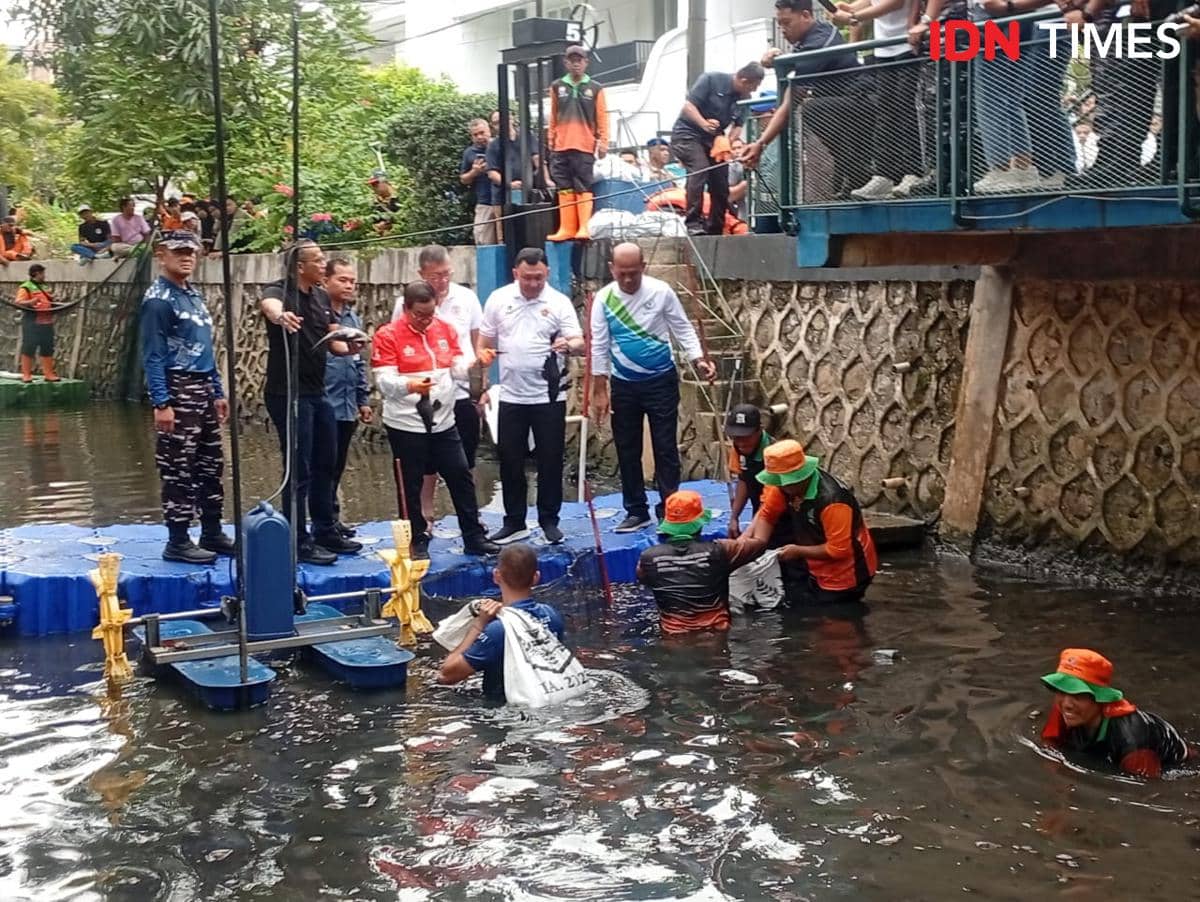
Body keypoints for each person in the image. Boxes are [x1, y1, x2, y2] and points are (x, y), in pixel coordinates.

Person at [590, 242, 715, 532]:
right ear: (612, 269)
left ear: (643, 267)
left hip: (661, 381)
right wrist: (599, 389)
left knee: (665, 446)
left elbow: (681, 327)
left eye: (634, 273)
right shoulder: (604, 299)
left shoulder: (661, 291)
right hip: (624, 384)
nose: (628, 279)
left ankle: (671, 508)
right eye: (622, 273)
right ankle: (636, 510)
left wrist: (698, 358)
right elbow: (599, 344)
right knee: (627, 448)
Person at [372, 281, 499, 558]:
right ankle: (417, 539)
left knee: (460, 474)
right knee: (410, 483)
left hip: (444, 420)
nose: (425, 321)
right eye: (419, 315)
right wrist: (410, 385)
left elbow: (457, 369)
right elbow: (383, 381)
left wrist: (477, 363)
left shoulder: (445, 329)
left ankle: (473, 536)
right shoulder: (388, 335)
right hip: (406, 423)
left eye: (430, 314)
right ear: (406, 309)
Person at [260, 240, 364, 566]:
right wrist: (281, 317)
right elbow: (270, 306)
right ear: (299, 266)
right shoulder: (278, 291)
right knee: (299, 467)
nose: (323, 264)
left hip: (317, 393)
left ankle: (325, 529)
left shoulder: (320, 297)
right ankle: (297, 539)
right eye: (317, 260)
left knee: (326, 460)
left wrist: (352, 345)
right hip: (288, 393)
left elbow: (334, 341)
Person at [138, 230, 235, 564]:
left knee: (211, 463)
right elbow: (153, 355)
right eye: (179, 251)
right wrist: (162, 403)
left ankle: (212, 530)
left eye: (191, 251)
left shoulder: (192, 294)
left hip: (203, 386)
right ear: (161, 255)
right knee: (179, 466)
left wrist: (217, 390)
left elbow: (204, 347)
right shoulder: (158, 301)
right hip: (177, 386)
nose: (187, 257)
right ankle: (178, 539)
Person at [477, 247, 584, 545]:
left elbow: (579, 340)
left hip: (549, 395)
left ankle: (549, 520)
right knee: (510, 460)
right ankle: (514, 521)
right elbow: (483, 343)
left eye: (538, 278)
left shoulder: (559, 302)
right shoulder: (499, 299)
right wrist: (482, 384)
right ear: (516, 274)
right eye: (527, 278)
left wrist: (569, 345)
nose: (533, 284)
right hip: (511, 394)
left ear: (547, 273)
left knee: (550, 460)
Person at [390, 245, 487, 526]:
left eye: (446, 274)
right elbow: (398, 341)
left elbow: (477, 341)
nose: (442, 281)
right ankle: (426, 514)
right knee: (425, 462)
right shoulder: (406, 303)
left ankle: (471, 517)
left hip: (460, 388)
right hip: (424, 393)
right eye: (435, 276)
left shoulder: (466, 298)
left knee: (464, 458)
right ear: (421, 274)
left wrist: (481, 385)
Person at [743, 0, 870, 199]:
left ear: (806, 15)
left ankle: (860, 174)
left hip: (861, 100)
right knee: (817, 109)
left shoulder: (817, 43)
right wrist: (778, 60)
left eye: (787, 23)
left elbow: (790, 102)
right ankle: (854, 176)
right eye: (779, 24)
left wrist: (761, 143)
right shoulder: (818, 34)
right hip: (846, 105)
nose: (782, 30)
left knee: (812, 110)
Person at [745, 439, 878, 604]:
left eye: (786, 483)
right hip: (813, 564)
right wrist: (758, 545)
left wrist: (798, 551)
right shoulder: (782, 486)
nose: (781, 487)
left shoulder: (833, 501)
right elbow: (767, 514)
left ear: (800, 476)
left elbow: (839, 550)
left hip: (847, 573)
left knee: (832, 613)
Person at [438, 543, 566, 702]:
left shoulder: (497, 630)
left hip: (507, 708)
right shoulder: (551, 615)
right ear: (536, 577)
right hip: (549, 696)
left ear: (496, 576)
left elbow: (446, 675)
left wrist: (479, 624)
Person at [1040, 648, 1196, 778]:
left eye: (1078, 694)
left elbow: (1146, 788)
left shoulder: (1132, 741)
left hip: (1175, 765)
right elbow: (1050, 746)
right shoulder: (1066, 710)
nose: (1066, 704)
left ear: (1100, 698)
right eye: (1061, 691)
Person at [636, 490, 767, 634]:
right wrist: (768, 504)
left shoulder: (647, 558)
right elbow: (760, 543)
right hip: (716, 632)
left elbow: (645, 579)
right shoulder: (722, 550)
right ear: (699, 524)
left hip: (673, 635)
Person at [669, 62, 763, 236]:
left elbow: (738, 125)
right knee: (700, 169)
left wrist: (727, 141)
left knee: (720, 182)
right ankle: (693, 222)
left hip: (715, 140)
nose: (754, 90)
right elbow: (688, 107)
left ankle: (716, 227)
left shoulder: (744, 99)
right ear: (743, 80)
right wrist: (704, 124)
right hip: (688, 134)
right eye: (753, 86)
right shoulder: (711, 80)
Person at [322, 256, 373, 539]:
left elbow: (358, 362)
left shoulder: (352, 318)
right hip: (323, 402)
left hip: (347, 405)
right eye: (342, 280)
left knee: (338, 464)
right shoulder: (318, 315)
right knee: (321, 465)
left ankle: (333, 517)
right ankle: (322, 522)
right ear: (325, 280)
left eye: (352, 281)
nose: (349, 285)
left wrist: (363, 400)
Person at [546, 44, 608, 242]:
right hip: (561, 144)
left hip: (584, 144)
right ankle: (567, 227)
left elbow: (602, 117)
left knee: (583, 184)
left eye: (579, 61)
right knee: (563, 185)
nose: (575, 64)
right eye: (572, 61)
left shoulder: (596, 88)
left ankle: (583, 226)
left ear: (586, 63)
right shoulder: (557, 86)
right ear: (566, 63)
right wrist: (551, 137)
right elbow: (553, 115)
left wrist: (603, 141)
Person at [725, 404, 781, 540]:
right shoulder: (738, 448)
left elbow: (770, 501)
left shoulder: (774, 455)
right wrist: (734, 517)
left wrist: (747, 535)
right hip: (758, 508)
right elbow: (743, 479)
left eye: (746, 437)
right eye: (736, 437)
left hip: (779, 512)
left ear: (759, 431)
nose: (741, 443)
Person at [15, 265, 59, 383]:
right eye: (42, 273)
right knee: (29, 347)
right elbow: (18, 302)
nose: (44, 276)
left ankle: (49, 374)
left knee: (47, 347)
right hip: (32, 322)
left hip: (47, 322)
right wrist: (31, 301)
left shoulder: (44, 287)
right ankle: (26, 374)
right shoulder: (26, 287)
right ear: (36, 273)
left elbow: (49, 300)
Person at [462, 118, 500, 246]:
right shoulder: (469, 153)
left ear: (489, 130)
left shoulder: (500, 146)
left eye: (482, 133)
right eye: (475, 135)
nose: (479, 137)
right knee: (482, 240)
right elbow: (463, 179)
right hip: (485, 202)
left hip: (504, 200)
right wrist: (474, 172)